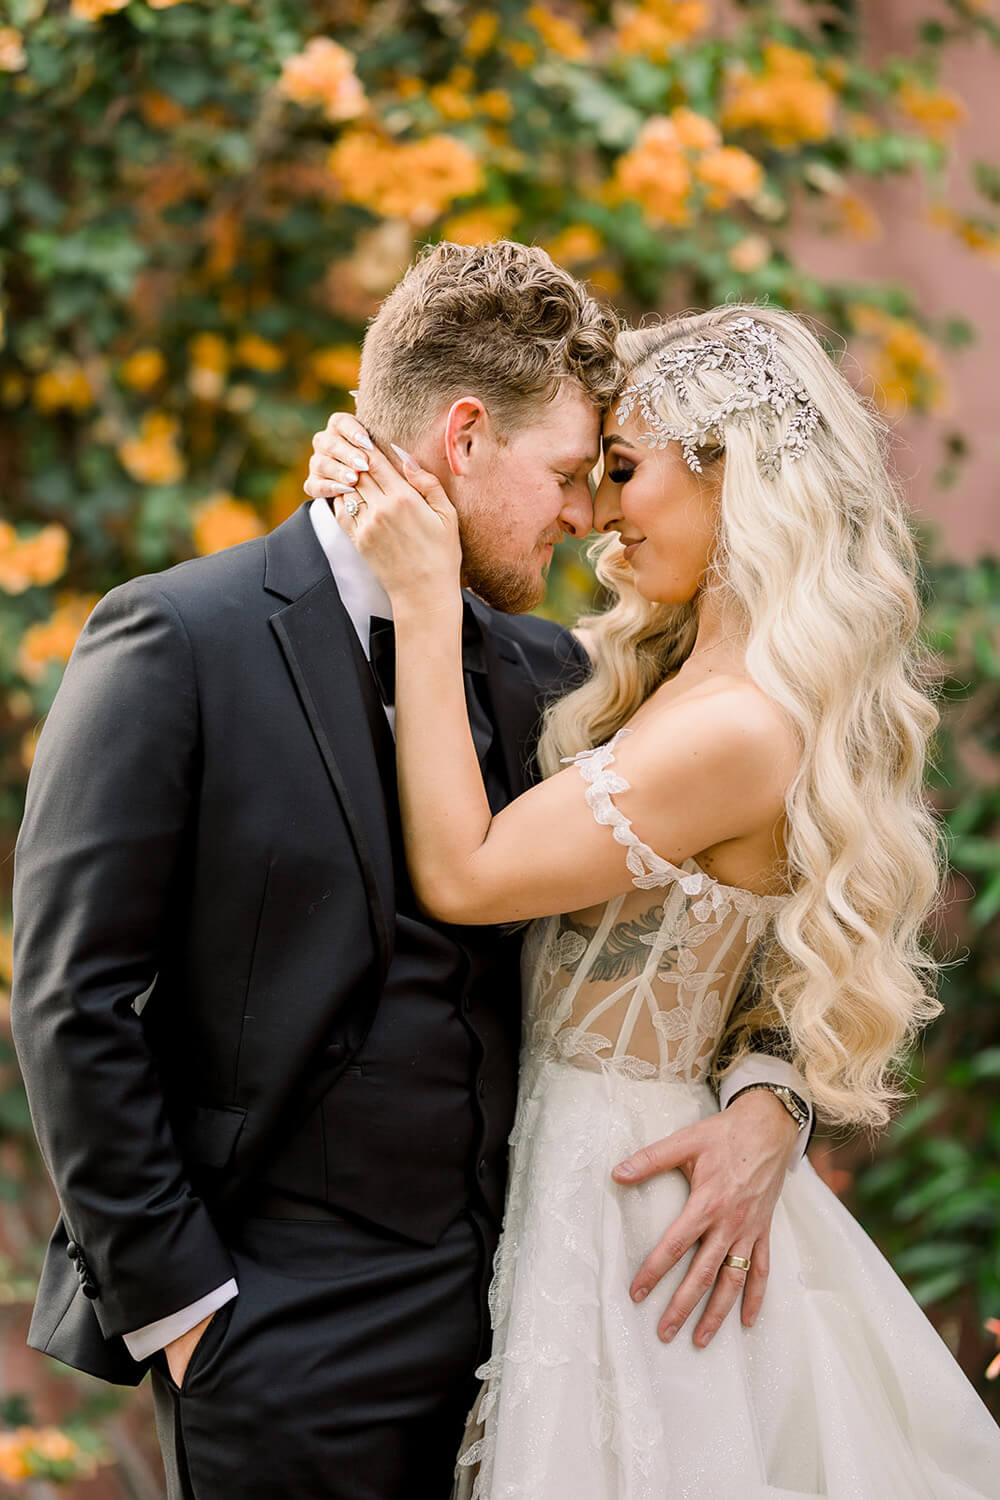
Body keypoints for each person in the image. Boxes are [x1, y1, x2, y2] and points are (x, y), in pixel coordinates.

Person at [11, 244, 811, 1500]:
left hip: (533, 1313)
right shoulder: (175, 640)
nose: (584, 515)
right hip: (275, 1331)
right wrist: (185, 1313)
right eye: (561, 475)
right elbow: (69, 999)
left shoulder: (555, 672)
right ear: (462, 435)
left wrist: (773, 1098)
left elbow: (751, 914)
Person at [324, 302, 1000, 1497]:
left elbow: (467, 875)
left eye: (621, 472)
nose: (593, 514)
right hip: (605, 1153)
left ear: (730, 475)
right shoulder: (693, 684)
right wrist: (772, 1092)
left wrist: (425, 600)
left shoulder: (736, 727)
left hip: (626, 1191)